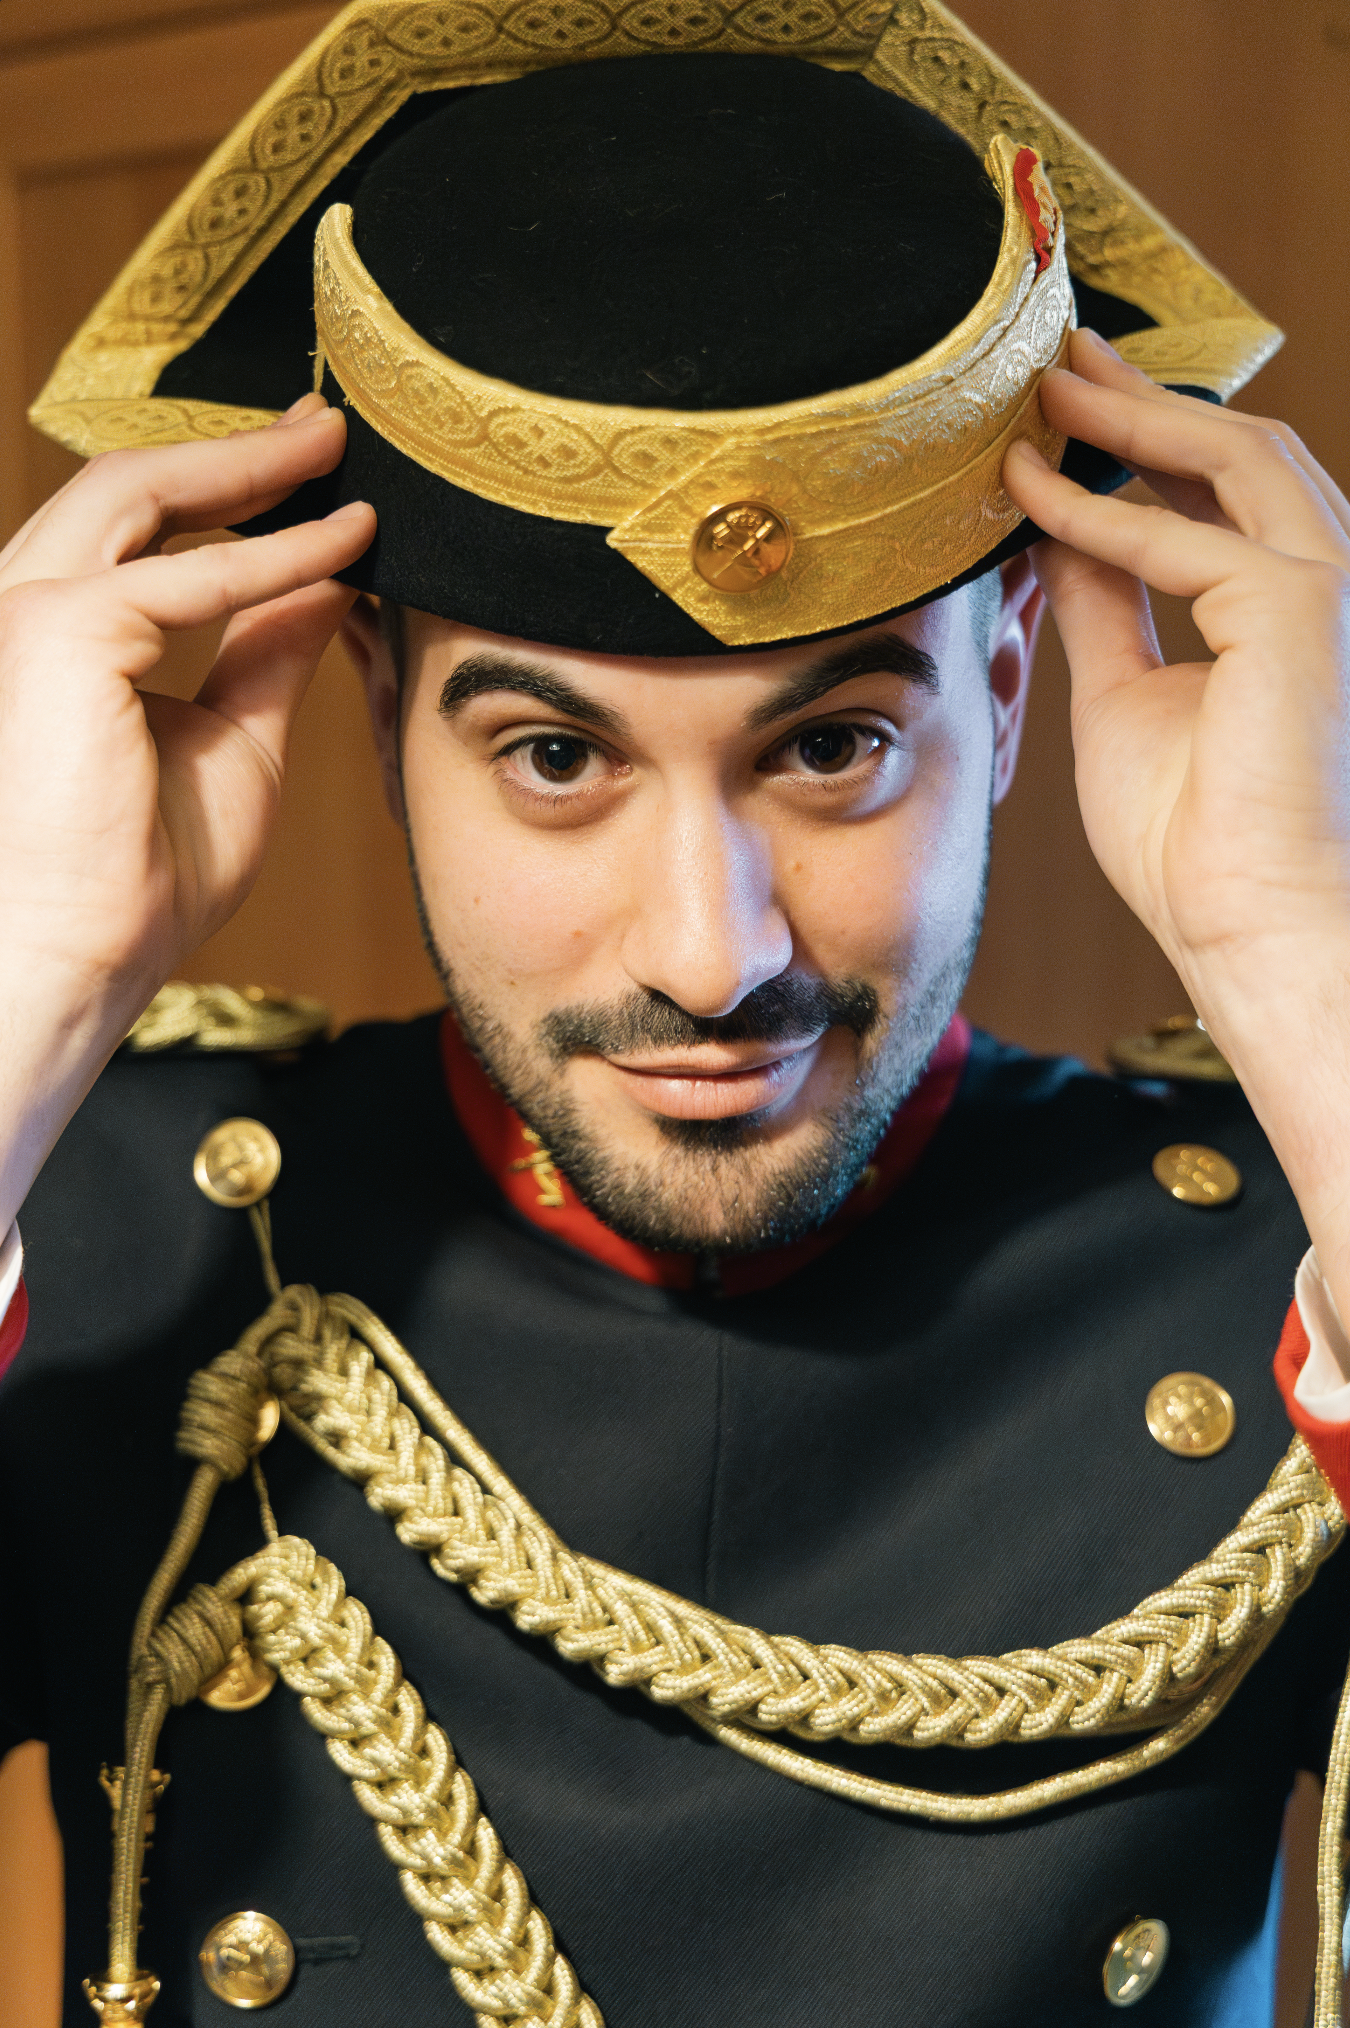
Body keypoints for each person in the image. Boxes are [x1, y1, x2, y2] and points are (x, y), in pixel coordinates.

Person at [3, 8, 1350, 2025]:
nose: (710, 952)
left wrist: (1297, 948)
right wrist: (27, 978)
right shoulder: (109, 1225)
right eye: (556, 755)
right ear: (382, 713)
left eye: (832, 751)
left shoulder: (1289, 1248)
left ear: (1004, 701)